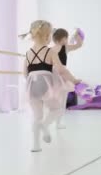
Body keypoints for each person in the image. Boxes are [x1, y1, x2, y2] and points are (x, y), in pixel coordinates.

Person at [21, 21, 80, 152]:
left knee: (37, 115)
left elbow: (24, 73)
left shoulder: (28, 53)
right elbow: (61, 70)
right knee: (57, 109)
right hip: (45, 84)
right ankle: (44, 125)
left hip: (31, 85)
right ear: (47, 36)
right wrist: (74, 80)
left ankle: (35, 146)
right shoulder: (49, 51)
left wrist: (32, 81)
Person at [51, 28, 83, 129]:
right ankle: (55, 121)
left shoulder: (65, 47)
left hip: (62, 74)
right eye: (66, 38)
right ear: (63, 38)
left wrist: (79, 37)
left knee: (62, 99)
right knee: (58, 99)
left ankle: (58, 122)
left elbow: (78, 45)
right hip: (57, 73)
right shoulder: (54, 49)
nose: (67, 39)